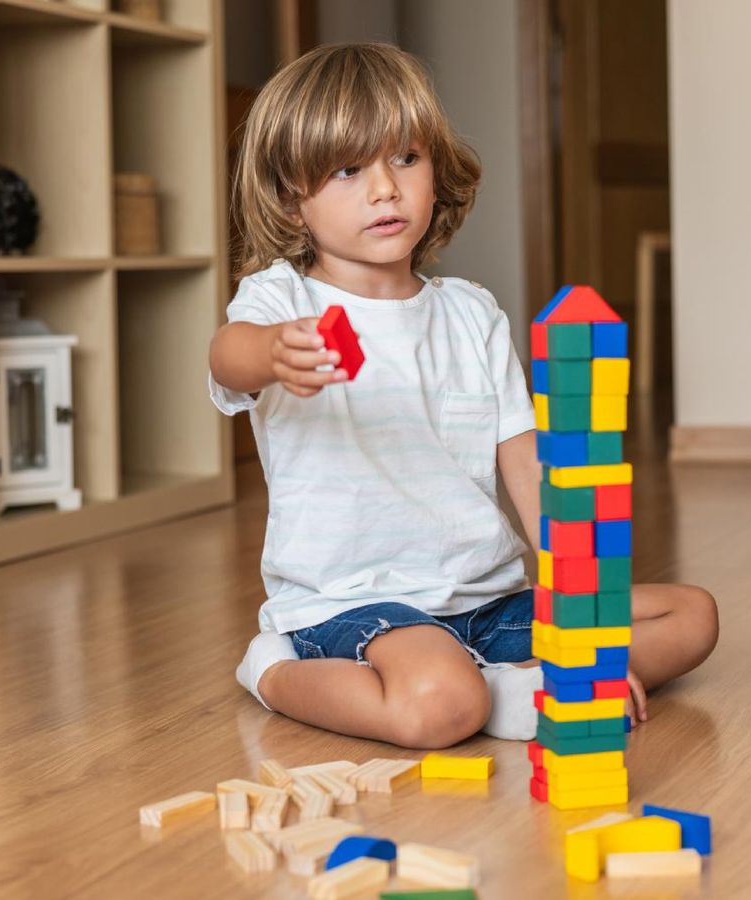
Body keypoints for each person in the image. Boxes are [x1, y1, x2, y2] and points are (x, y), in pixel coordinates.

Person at [208, 43, 717, 750]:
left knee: (691, 616)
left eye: (405, 159)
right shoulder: (281, 301)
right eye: (348, 170)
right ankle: (274, 670)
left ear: (436, 170)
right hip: (359, 603)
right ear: (294, 200)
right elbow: (228, 360)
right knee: (441, 708)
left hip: (490, 597)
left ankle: (516, 684)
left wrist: (580, 620)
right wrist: (271, 352)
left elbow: (527, 467)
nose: (384, 189)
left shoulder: (473, 314)